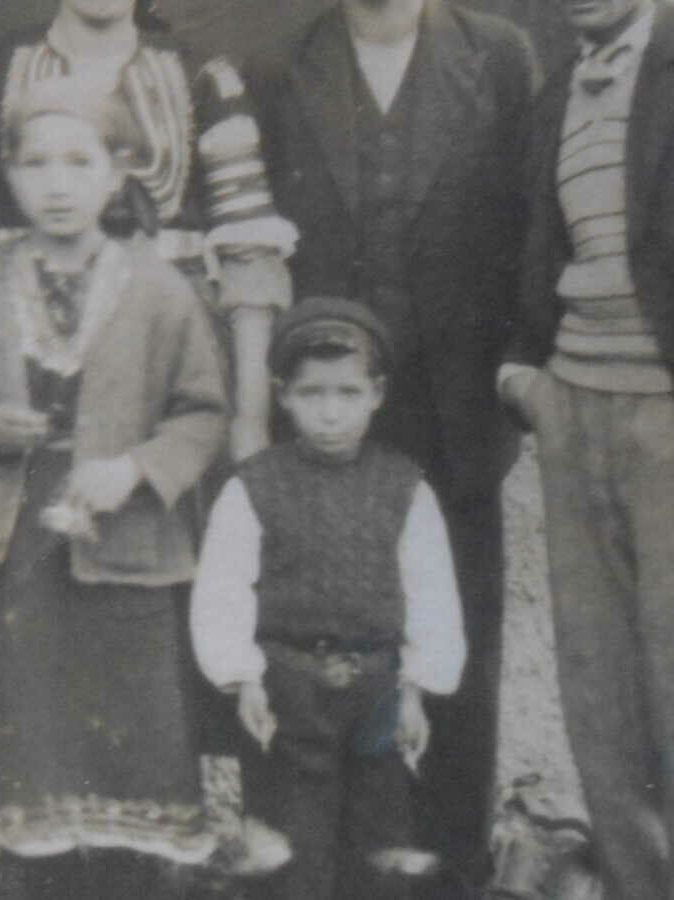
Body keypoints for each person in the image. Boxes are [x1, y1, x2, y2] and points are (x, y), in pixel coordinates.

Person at [0, 78, 228, 899]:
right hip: (7, 560)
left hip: (120, 558)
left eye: (79, 162)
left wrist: (136, 469)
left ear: (117, 174)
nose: (57, 183)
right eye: (35, 163)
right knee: (16, 768)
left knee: (124, 767)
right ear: (8, 172)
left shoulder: (159, 289)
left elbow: (201, 413)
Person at [244, 0, 536, 891]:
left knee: (454, 646)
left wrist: (515, 377)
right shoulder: (284, 65)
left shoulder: (498, 57)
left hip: (452, 416)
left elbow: (528, 228)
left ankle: (447, 868)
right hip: (326, 412)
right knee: (309, 640)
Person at [0, 0, 296, 461]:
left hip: (169, 359)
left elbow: (251, 255)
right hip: (25, 358)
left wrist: (250, 421)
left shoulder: (203, 75)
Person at [191, 297, 466, 900]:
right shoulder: (254, 486)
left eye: (347, 394)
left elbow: (431, 592)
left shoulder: (405, 486)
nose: (330, 414)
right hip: (288, 687)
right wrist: (244, 680)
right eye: (312, 394)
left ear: (377, 394)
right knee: (292, 843)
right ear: (283, 395)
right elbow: (223, 587)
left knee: (380, 841)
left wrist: (417, 690)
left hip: (379, 688)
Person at [500, 0, 674, 894]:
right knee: (597, 693)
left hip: (665, 416)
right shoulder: (557, 93)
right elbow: (536, 249)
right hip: (575, 409)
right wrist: (524, 377)